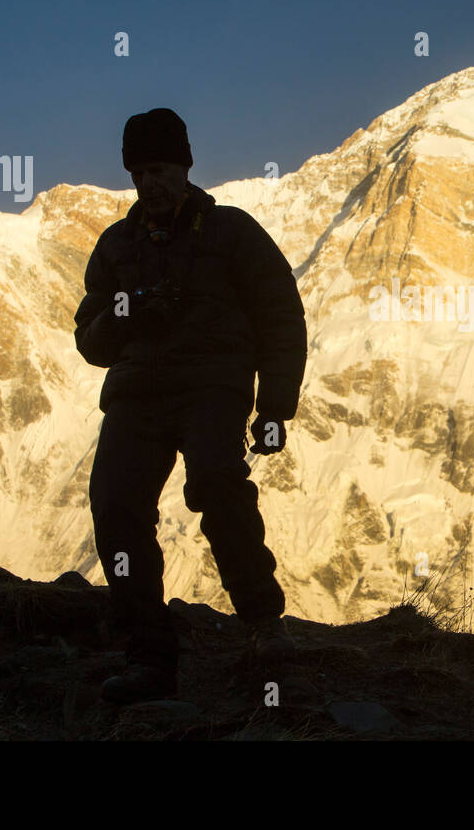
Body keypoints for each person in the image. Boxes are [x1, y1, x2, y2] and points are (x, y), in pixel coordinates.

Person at [73, 107, 307, 704]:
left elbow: (281, 315)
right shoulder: (115, 245)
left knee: (217, 486)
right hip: (136, 395)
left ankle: (263, 625)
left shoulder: (230, 232)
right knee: (116, 507)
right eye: (138, 172)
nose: (149, 183)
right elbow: (90, 340)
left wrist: (275, 407)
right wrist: (130, 310)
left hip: (212, 386)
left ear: (184, 167)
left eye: (160, 169)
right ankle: (148, 657)